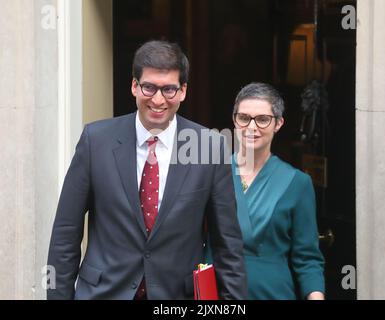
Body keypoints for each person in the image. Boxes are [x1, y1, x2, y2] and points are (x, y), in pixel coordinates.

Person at [47, 40, 247, 300]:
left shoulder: (209, 146)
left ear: (183, 91)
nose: (158, 99)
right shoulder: (95, 140)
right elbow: (65, 235)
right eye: (149, 87)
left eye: (169, 90)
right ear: (134, 86)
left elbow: (227, 246)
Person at [230, 82, 325, 300]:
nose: (252, 127)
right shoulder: (212, 174)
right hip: (218, 292)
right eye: (244, 118)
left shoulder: (297, 183)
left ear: (278, 123)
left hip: (272, 293)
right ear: (235, 120)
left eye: (263, 119)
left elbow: (307, 258)